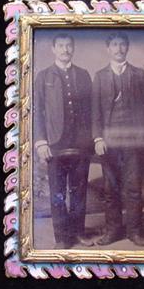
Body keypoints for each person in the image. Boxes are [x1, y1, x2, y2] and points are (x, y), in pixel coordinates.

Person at [92, 32, 144, 246]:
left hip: (133, 142)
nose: (118, 49)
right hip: (108, 143)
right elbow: (95, 111)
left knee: (133, 187)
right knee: (111, 189)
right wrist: (98, 138)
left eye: (122, 44)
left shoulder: (139, 75)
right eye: (114, 45)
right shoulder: (100, 76)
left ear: (127, 47)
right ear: (108, 49)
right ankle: (113, 231)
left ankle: (134, 231)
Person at [34, 34, 94, 249]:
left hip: (80, 143)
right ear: (53, 49)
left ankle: (78, 233)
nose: (65, 50)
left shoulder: (83, 75)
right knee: (57, 192)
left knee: (79, 190)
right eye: (60, 46)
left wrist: (92, 139)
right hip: (55, 144)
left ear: (73, 48)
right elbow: (37, 111)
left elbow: (91, 109)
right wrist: (41, 142)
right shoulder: (43, 76)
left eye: (69, 46)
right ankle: (61, 237)